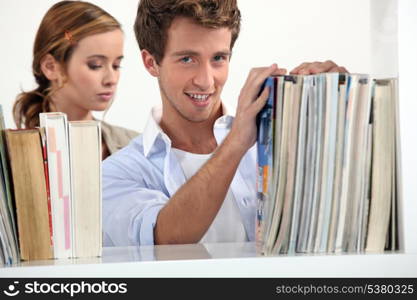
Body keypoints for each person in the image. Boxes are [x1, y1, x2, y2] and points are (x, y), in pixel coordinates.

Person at [102, 0, 348, 246]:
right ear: (151, 62)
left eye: (218, 58)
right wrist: (237, 141)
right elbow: (166, 239)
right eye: (187, 59)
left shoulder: (273, 141)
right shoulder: (117, 174)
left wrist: (338, 115)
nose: (206, 81)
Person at [12, 0, 138, 159]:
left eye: (116, 65)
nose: (111, 79)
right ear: (51, 67)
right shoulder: (15, 156)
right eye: (95, 65)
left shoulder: (135, 147)